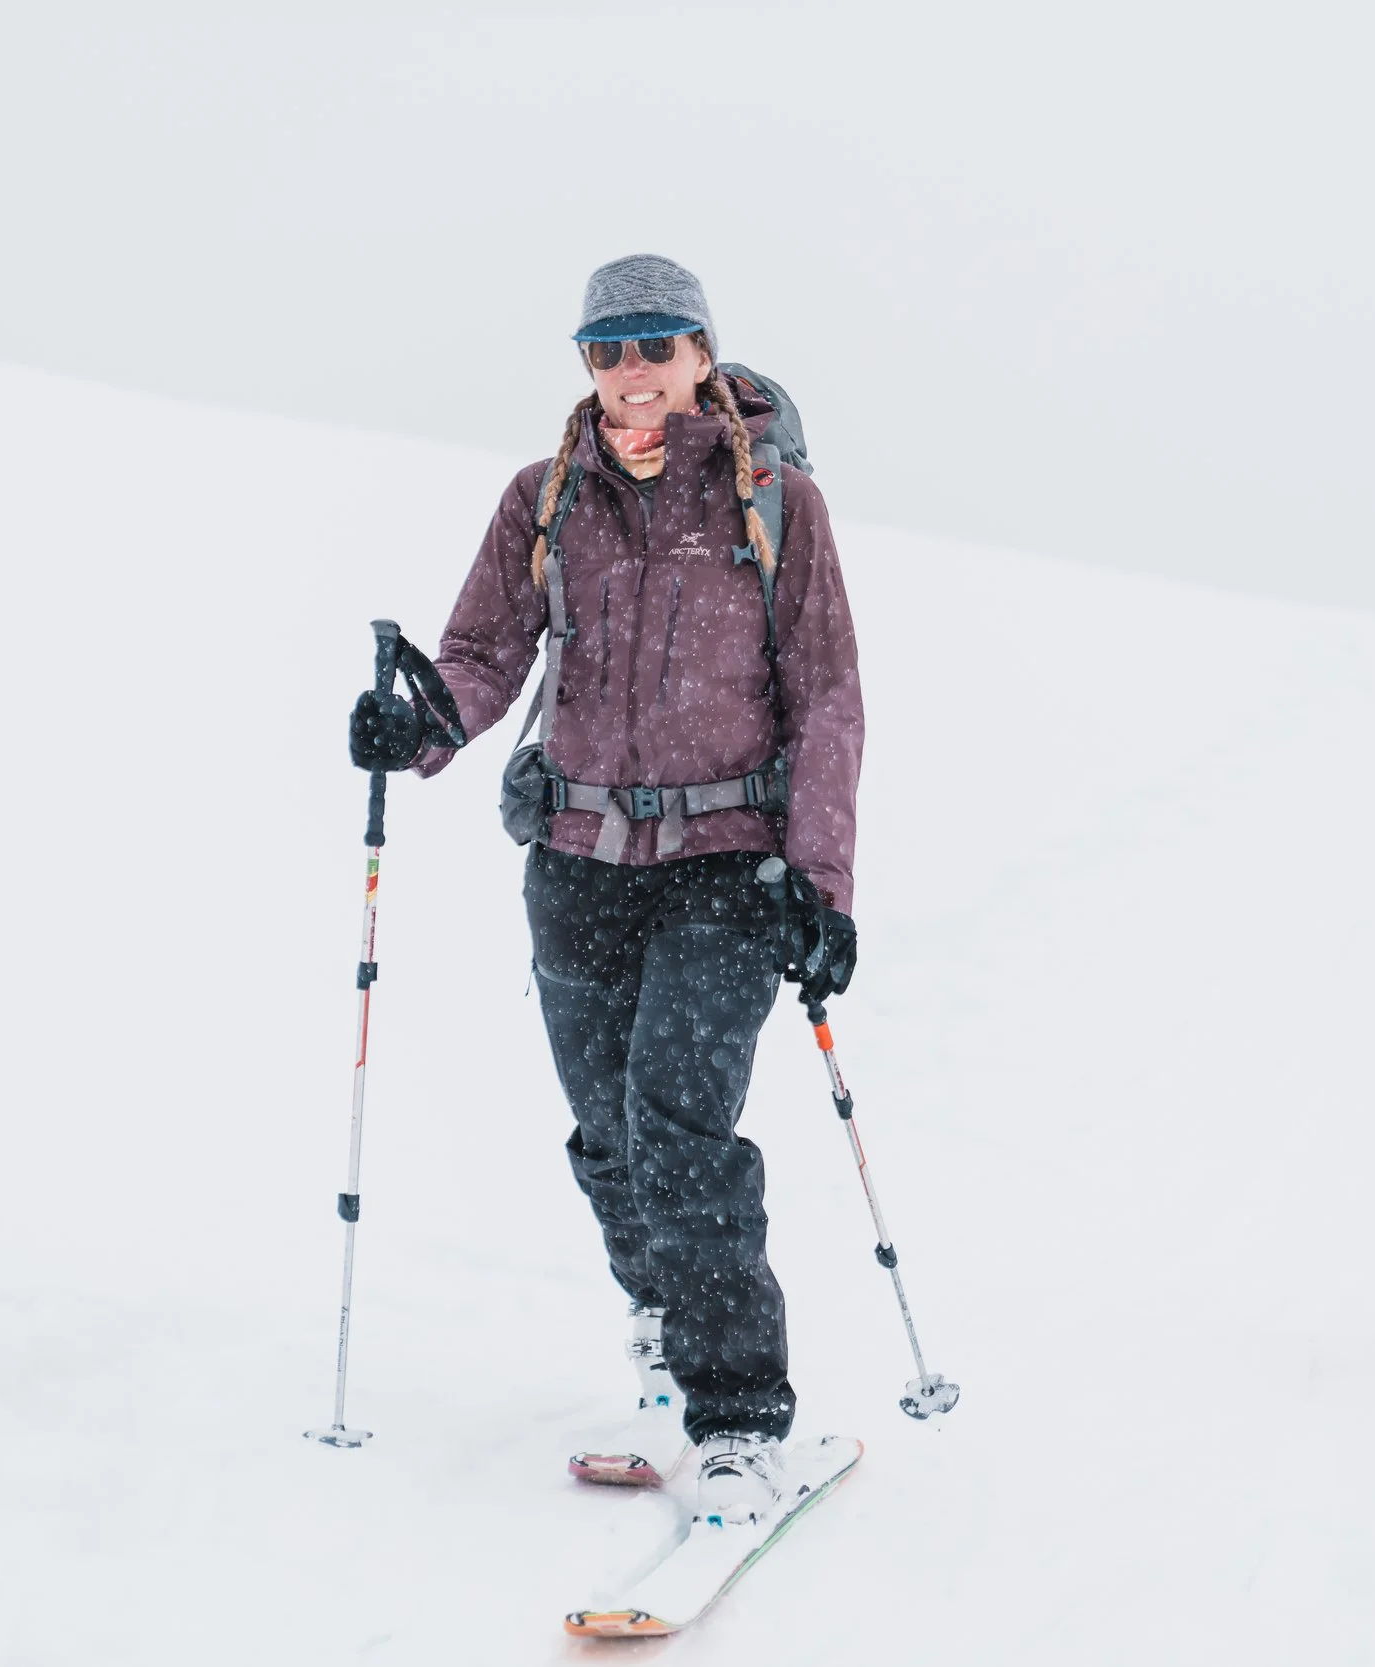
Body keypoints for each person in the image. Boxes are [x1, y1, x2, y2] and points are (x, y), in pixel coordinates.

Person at [346, 253, 864, 1524]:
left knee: (680, 1129)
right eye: (608, 350)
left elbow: (826, 696)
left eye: (655, 347)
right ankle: (665, 1335)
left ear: (700, 355)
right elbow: (480, 653)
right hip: (575, 859)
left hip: (727, 866)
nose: (632, 373)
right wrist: (414, 726)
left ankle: (738, 1417)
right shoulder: (546, 496)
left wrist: (822, 880)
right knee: (607, 1136)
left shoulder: (776, 502)